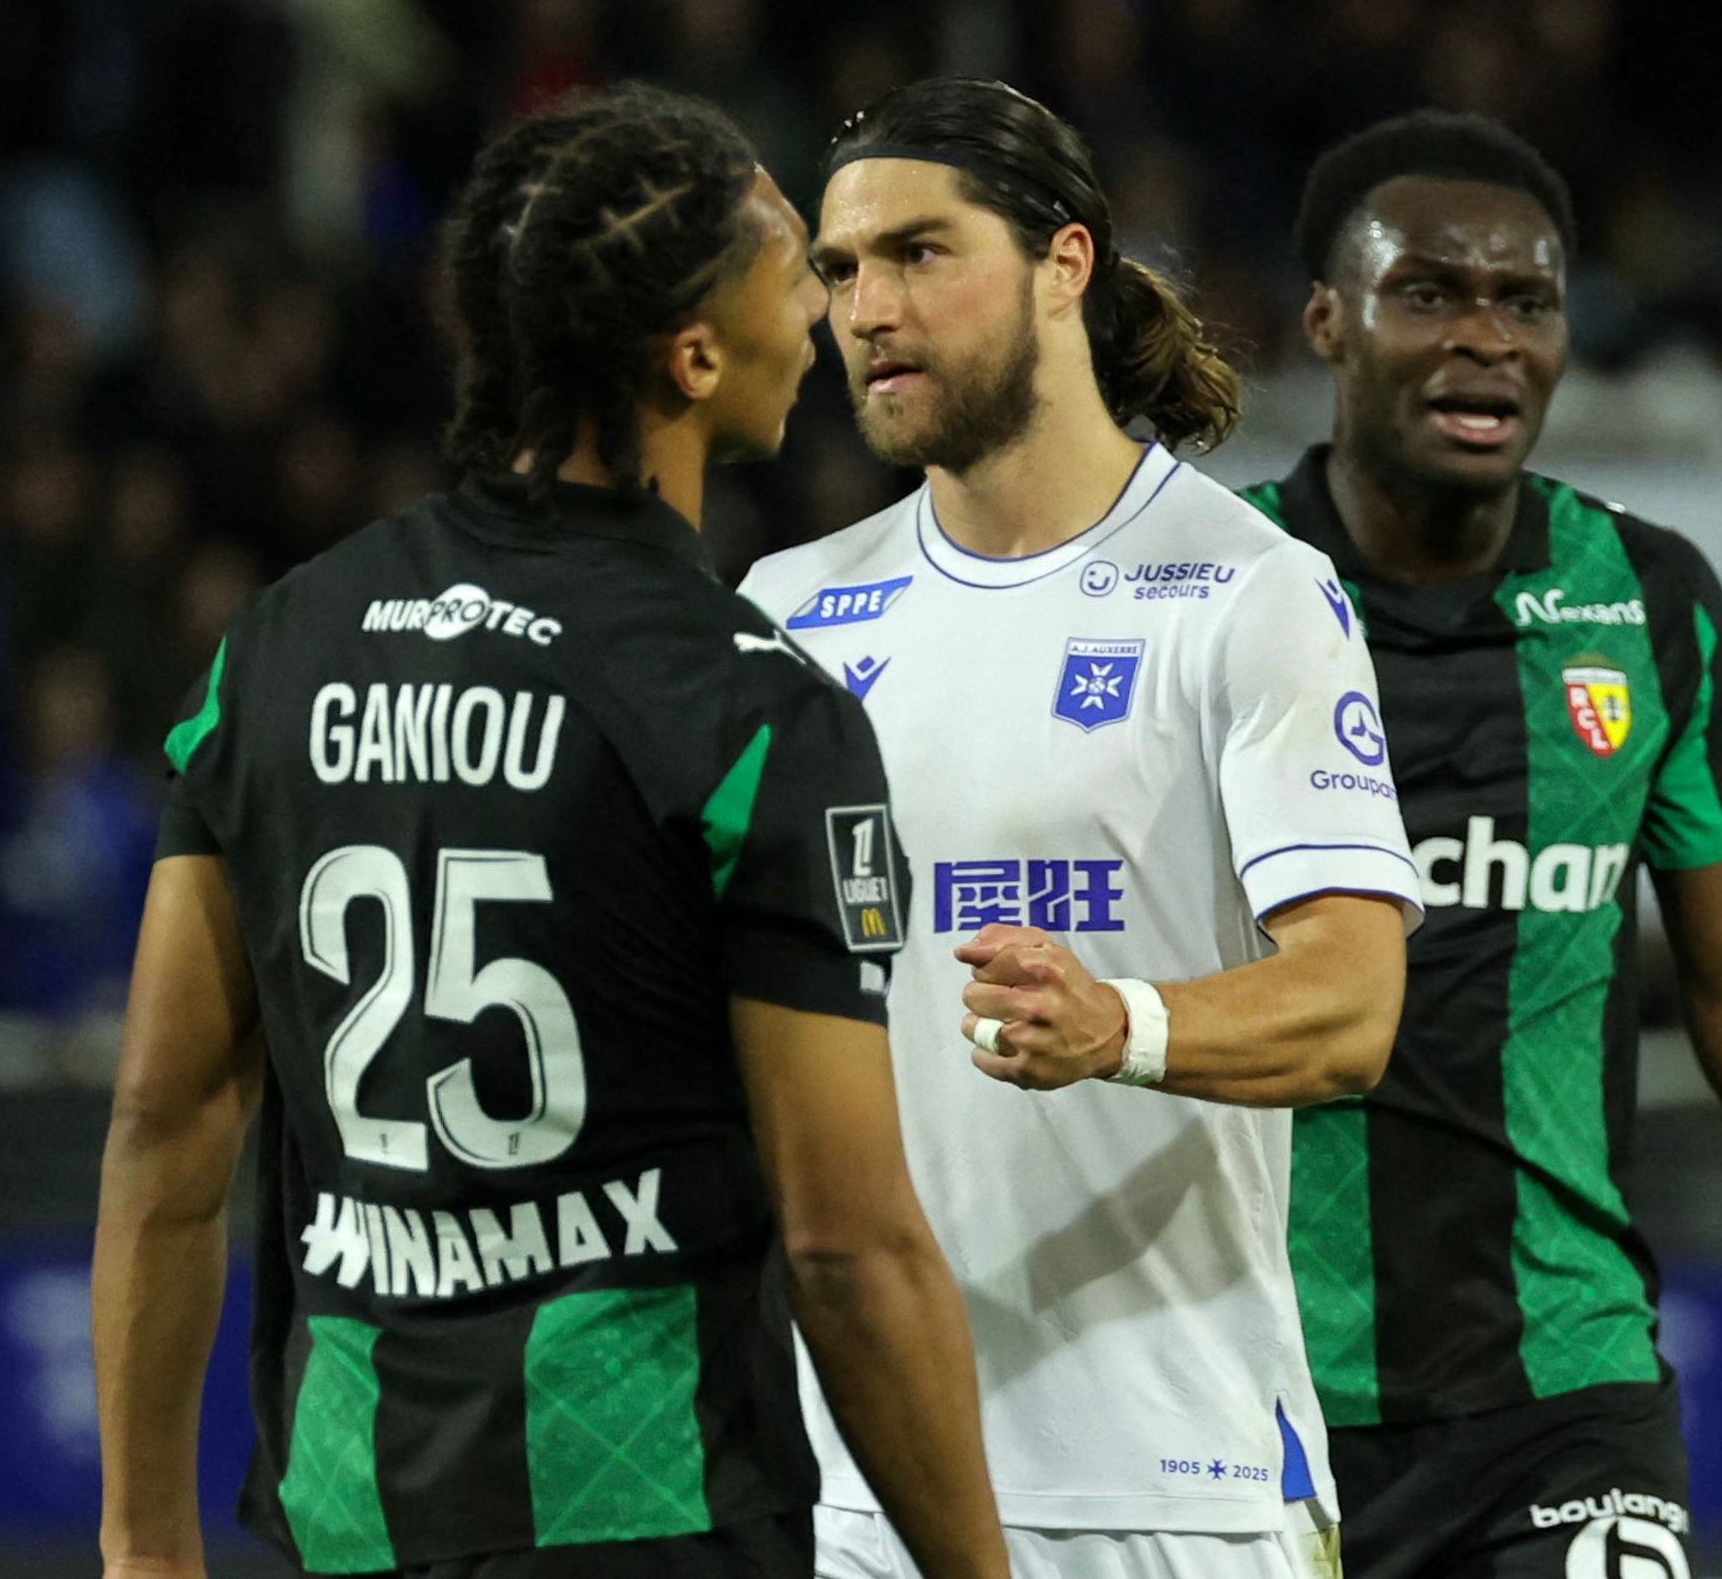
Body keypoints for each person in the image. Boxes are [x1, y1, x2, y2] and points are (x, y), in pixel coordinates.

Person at [92, 85, 1011, 1579]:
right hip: (640, 1508)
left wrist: (141, 1545)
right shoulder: (750, 710)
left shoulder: (275, 646)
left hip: (349, 1505)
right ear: (696, 357)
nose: (829, 311)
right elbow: (848, 1248)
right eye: (799, 272)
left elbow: (164, 1120)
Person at [1250, 110, 1722, 1579]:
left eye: (1524, 303)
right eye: (1427, 294)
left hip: (1565, 1391)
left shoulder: (1647, 600)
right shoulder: (1210, 595)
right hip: (1248, 1392)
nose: (1484, 338)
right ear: (1326, 325)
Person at [740, 78, 1416, 1579]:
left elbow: (1356, 1006)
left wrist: (1124, 1025)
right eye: (840, 270)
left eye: (921, 252)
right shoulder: (783, 614)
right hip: (857, 1496)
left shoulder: (1248, 591)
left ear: (1065, 265)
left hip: (1174, 1491)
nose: (868, 307)